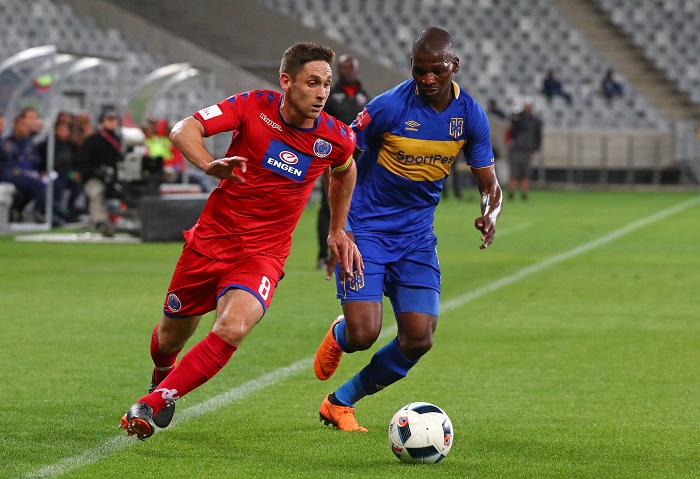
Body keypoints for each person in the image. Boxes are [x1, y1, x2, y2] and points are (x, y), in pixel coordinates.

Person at [119, 41, 363, 441]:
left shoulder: (336, 137)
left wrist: (337, 229)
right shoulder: (252, 106)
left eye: (327, 84)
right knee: (167, 339)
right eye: (312, 83)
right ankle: (164, 375)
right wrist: (208, 164)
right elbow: (185, 129)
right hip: (209, 243)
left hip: (263, 254)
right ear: (286, 81)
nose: (322, 93)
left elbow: (344, 171)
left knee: (232, 327)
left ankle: (156, 402)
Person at [313, 27, 502, 432]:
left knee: (418, 338)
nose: (428, 79)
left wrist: (490, 214)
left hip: (416, 236)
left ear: (454, 66)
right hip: (366, 229)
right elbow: (340, 165)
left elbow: (491, 185)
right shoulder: (386, 108)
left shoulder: (469, 115)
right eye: (420, 71)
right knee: (365, 333)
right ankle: (341, 334)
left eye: (436, 70)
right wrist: (339, 229)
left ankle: (340, 402)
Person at [315, 54, 370, 269]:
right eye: (344, 68)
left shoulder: (364, 95)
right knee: (329, 206)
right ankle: (323, 254)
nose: (348, 72)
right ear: (338, 71)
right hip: (331, 156)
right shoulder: (329, 94)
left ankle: (354, 248)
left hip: (358, 159)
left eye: (351, 68)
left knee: (356, 205)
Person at [76, 107, 123, 234]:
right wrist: (97, 171)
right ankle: (100, 221)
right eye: (109, 119)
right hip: (95, 178)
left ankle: (123, 219)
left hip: (117, 178)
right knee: (97, 191)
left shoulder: (120, 139)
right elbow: (82, 164)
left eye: (115, 119)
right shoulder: (92, 140)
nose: (113, 122)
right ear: (102, 121)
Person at [37, 116, 84, 222]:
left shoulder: (70, 145)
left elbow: (72, 162)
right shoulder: (48, 144)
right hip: (53, 174)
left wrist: (73, 173)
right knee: (58, 185)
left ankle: (72, 211)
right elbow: (51, 164)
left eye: (66, 129)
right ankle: (56, 213)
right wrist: (69, 173)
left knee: (77, 185)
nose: (64, 132)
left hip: (66, 174)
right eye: (61, 129)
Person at [0, 113, 47, 221]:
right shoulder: (8, 142)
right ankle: (45, 215)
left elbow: (34, 160)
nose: (1, 127)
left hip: (15, 173)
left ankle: (21, 212)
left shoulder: (7, 142)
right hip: (6, 174)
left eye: (2, 124)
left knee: (43, 183)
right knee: (37, 185)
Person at [505, 99, 542, 201]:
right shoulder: (518, 119)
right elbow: (512, 124)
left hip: (527, 150)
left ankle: (524, 194)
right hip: (516, 149)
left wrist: (536, 147)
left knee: (526, 173)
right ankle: (511, 193)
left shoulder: (535, 121)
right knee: (514, 173)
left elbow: (538, 135)